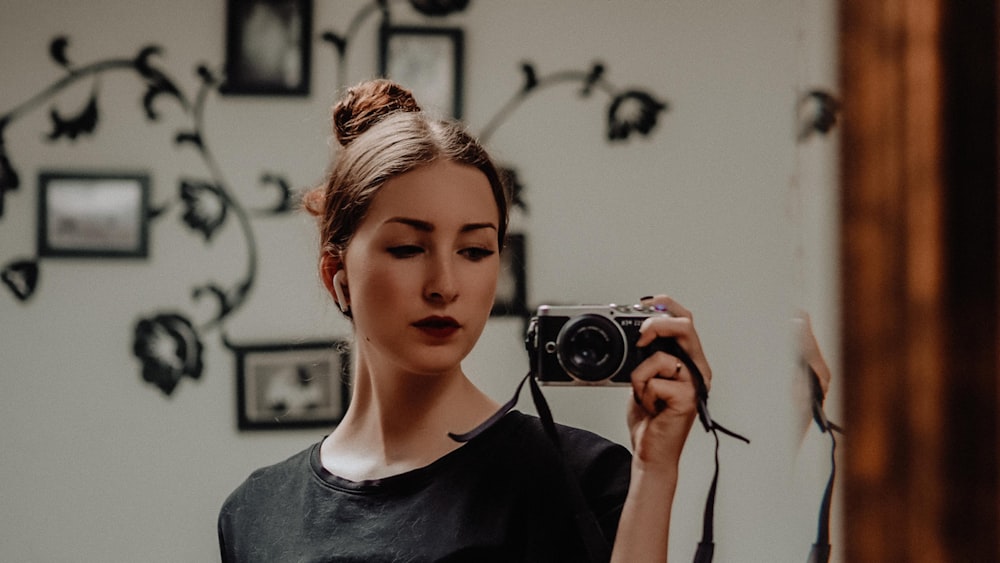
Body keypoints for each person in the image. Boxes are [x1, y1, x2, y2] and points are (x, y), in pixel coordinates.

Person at [218, 79, 711, 562]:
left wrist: (657, 471)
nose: (445, 284)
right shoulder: (255, 513)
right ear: (337, 274)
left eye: (475, 250)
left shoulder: (582, 480)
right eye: (409, 248)